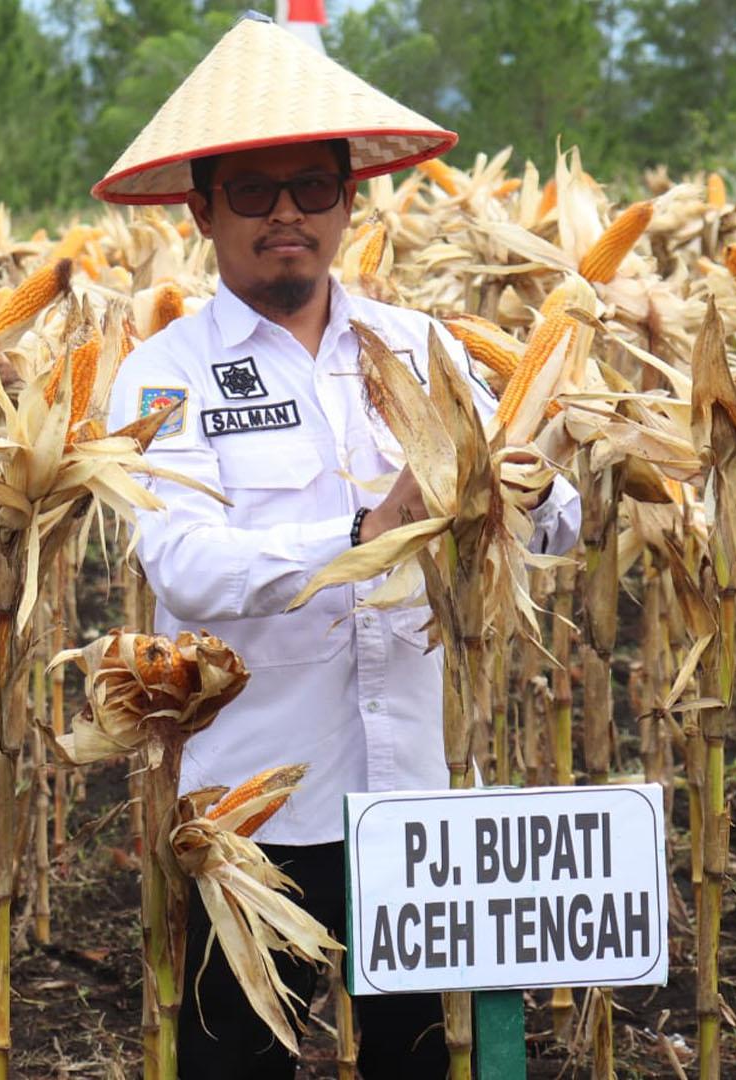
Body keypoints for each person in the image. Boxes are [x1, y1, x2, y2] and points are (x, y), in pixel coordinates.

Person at [98, 14, 582, 1078]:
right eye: (253, 192)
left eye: (312, 188)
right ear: (202, 210)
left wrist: (530, 489)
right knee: (236, 1061)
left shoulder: (422, 345)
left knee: (419, 1058)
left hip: (411, 793)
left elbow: (560, 527)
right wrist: (365, 532)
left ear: (349, 201)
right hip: (249, 809)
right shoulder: (162, 376)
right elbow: (181, 563)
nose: (287, 214)